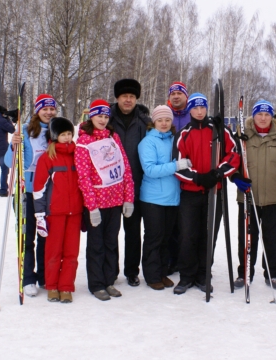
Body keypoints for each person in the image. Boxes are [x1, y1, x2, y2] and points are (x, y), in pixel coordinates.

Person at [173, 92, 240, 294]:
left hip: (214, 193)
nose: (199, 111)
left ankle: (203, 275)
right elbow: (178, 165)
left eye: (203, 107)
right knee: (187, 235)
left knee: (208, 235)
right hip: (191, 194)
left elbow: (233, 154)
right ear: (190, 109)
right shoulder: (183, 134)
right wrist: (197, 177)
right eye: (195, 108)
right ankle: (186, 276)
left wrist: (218, 172)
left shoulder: (219, 131)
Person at [232, 99, 276, 291]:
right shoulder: (242, 137)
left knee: (272, 238)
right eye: (259, 114)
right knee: (246, 238)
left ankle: (272, 274)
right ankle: (245, 272)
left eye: (266, 114)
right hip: (248, 197)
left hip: (274, 198)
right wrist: (235, 176)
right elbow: (230, 161)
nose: (263, 118)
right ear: (253, 116)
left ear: (272, 117)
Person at [75, 99, 135, 301]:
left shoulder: (113, 137)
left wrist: (129, 198)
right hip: (96, 203)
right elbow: (83, 177)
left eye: (105, 116)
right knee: (96, 244)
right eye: (99, 115)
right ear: (91, 116)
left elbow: (125, 167)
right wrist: (91, 206)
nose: (102, 119)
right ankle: (96, 283)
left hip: (115, 201)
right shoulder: (84, 141)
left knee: (111, 242)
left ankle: (109, 279)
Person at [5, 94, 58, 297]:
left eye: (52, 109)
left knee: (45, 235)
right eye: (45, 109)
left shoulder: (56, 131)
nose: (49, 112)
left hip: (47, 194)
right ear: (38, 110)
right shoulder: (25, 131)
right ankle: (28, 277)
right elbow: (9, 163)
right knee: (27, 237)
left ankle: (44, 275)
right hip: (27, 192)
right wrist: (13, 144)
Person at [138, 105, 191, 290]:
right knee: (154, 237)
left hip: (172, 197)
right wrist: (176, 166)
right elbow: (150, 170)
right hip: (153, 199)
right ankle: (152, 275)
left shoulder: (174, 140)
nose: (164, 123)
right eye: (160, 120)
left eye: (167, 120)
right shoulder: (147, 142)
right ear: (154, 121)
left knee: (167, 238)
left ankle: (162, 272)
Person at [33, 117, 83, 303]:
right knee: (54, 252)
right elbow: (38, 189)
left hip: (75, 212)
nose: (67, 138)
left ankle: (66, 286)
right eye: (63, 134)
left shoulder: (78, 155)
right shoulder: (47, 158)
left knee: (71, 252)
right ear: (55, 136)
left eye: (69, 134)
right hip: (55, 213)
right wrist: (39, 214)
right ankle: (52, 285)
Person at [109, 78, 151, 287]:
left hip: (135, 185)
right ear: (117, 98)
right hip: (109, 188)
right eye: (124, 96)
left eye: (132, 97)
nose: (128, 100)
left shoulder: (145, 123)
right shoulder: (105, 120)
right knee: (111, 232)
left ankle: (132, 271)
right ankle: (110, 270)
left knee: (133, 232)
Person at [166, 81, 191, 275]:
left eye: (179, 93)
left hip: (190, 174)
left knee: (187, 224)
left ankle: (188, 260)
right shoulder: (164, 115)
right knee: (171, 224)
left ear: (185, 95)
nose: (176, 96)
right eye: (172, 93)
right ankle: (170, 260)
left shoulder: (194, 113)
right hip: (169, 175)